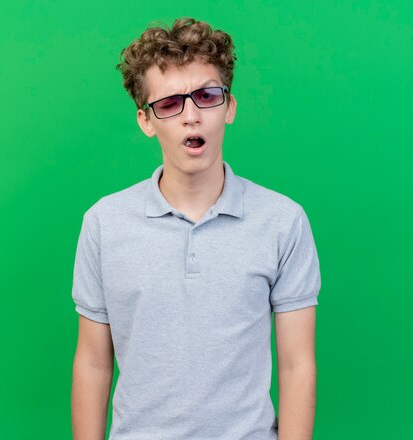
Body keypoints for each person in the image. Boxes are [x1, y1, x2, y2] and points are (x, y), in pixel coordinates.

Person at [71, 17, 321, 440]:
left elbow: (298, 365)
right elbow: (93, 363)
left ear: (230, 107)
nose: (191, 116)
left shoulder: (282, 220)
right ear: (146, 121)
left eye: (206, 95)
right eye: (169, 104)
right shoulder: (104, 223)